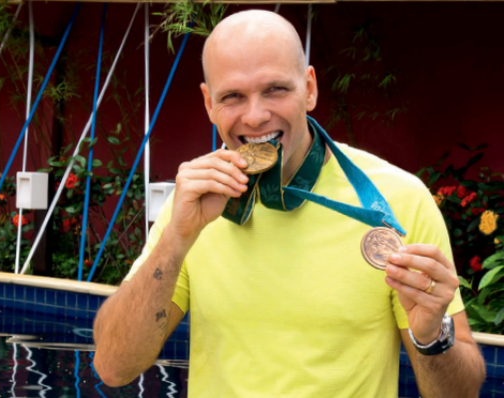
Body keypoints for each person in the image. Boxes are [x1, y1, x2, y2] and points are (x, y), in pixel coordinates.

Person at [92, 9, 486, 398]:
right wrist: (174, 242)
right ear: (209, 103)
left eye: (275, 90)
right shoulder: (192, 204)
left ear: (309, 88)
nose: (256, 115)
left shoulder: (398, 199)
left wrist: (432, 336)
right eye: (232, 96)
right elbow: (113, 368)